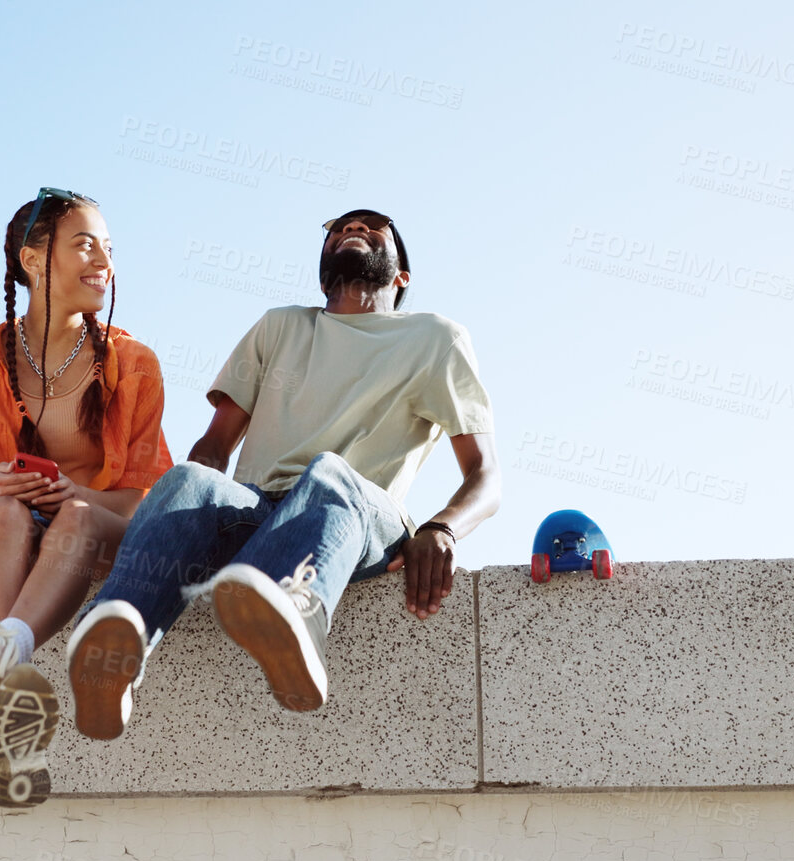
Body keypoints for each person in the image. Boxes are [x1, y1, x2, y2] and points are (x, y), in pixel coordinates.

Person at [63, 208, 497, 740]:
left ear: (401, 275)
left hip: (354, 518)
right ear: (322, 274)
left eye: (371, 225)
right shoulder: (280, 326)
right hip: (258, 515)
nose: (351, 230)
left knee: (329, 472)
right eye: (337, 228)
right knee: (185, 480)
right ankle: (115, 646)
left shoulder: (437, 338)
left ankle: (295, 611)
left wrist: (443, 528)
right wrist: (172, 523)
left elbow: (485, 475)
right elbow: (214, 448)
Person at [0, 188, 171, 806]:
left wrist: (70, 494)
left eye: (108, 249)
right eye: (85, 244)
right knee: (8, 512)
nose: (103, 262)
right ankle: (10, 687)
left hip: (87, 535)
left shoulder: (133, 365)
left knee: (78, 514)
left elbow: (146, 500)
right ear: (33, 260)